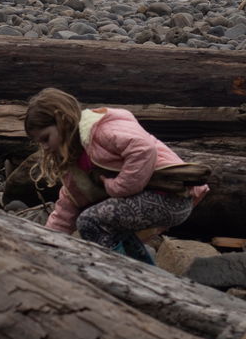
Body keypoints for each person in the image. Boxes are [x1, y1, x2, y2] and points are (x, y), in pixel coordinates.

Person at [26, 88, 207, 260]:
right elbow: (68, 205)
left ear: (62, 120)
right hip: (153, 199)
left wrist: (119, 187)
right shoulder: (74, 165)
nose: (45, 147)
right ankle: (142, 273)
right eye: (40, 142)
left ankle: (113, 270)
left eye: (46, 138)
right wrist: (46, 242)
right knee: (113, 229)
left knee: (90, 220)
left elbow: (143, 149)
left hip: (172, 195)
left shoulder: (101, 130)